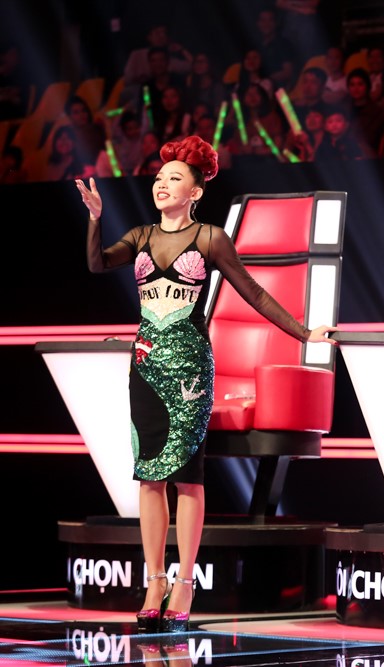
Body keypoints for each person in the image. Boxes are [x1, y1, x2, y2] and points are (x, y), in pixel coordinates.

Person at [74, 136, 335, 634]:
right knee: (149, 476)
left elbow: (253, 291)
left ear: (194, 191)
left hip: (190, 368)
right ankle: (154, 581)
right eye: (159, 177)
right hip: (145, 366)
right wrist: (94, 217)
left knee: (187, 477)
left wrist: (304, 333)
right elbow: (96, 263)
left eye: (174, 178)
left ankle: (185, 583)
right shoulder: (140, 236)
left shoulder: (211, 238)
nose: (162, 184)